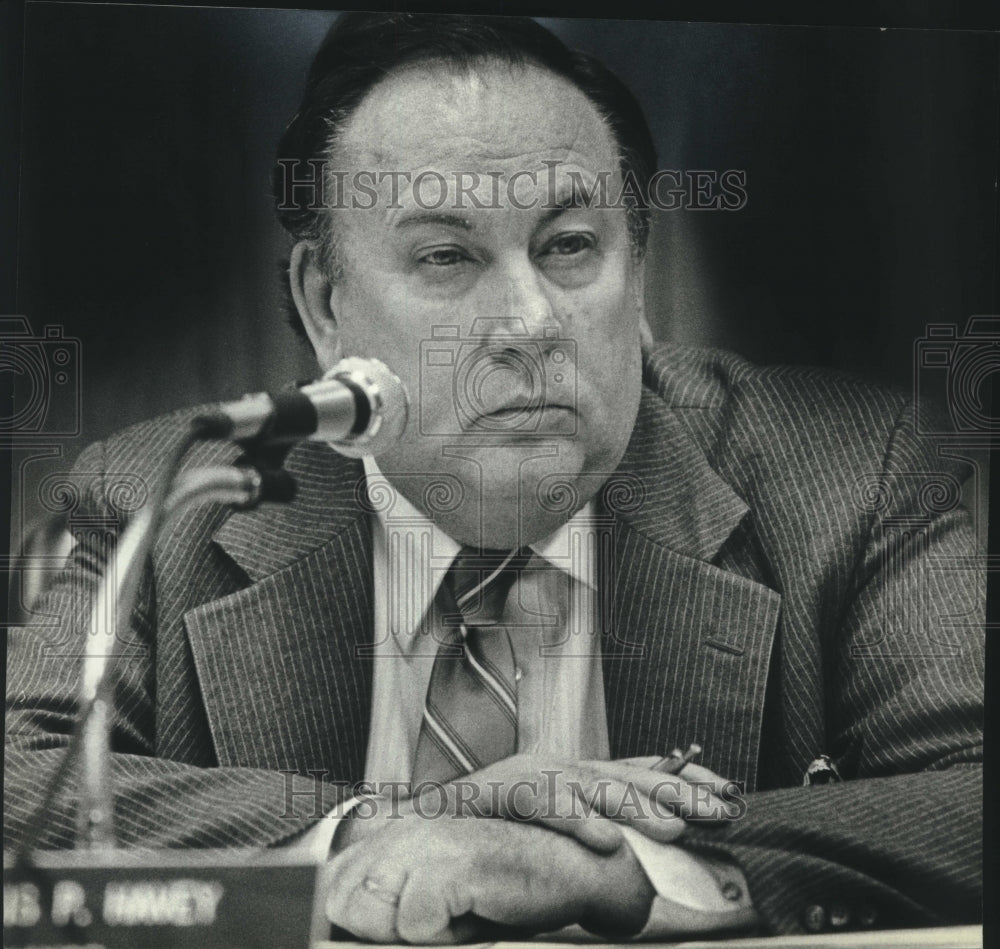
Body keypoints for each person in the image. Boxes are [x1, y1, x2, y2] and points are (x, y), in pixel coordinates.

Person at [5, 12, 983, 943]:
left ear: (636, 276)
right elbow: (17, 780)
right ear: (323, 303)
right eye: (445, 254)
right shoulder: (164, 497)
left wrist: (622, 871)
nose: (529, 322)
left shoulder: (851, 472)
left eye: (568, 247)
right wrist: (386, 829)